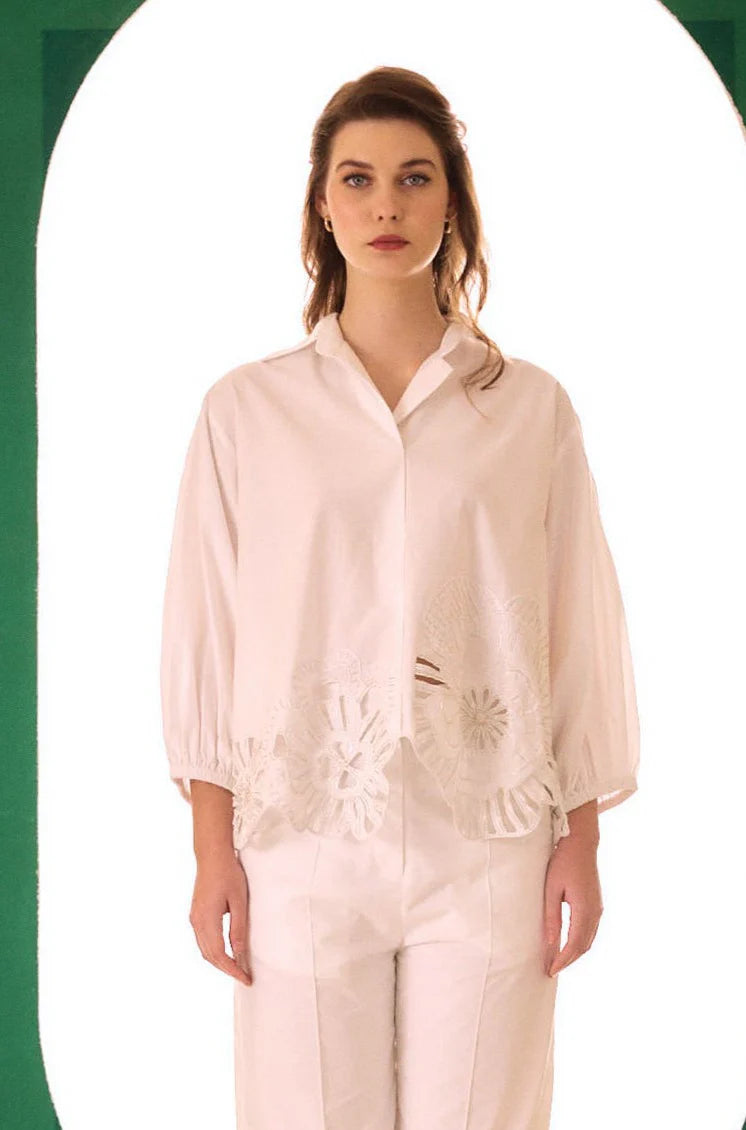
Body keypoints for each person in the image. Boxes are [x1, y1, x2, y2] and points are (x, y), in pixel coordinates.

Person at [160, 65, 640, 1130]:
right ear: (323, 205)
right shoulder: (246, 411)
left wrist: (581, 837)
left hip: (487, 833)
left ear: (451, 202)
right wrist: (210, 849)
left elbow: (575, 623)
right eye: (359, 178)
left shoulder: (529, 409)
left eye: (415, 178)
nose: (387, 204)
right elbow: (208, 629)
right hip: (301, 832)